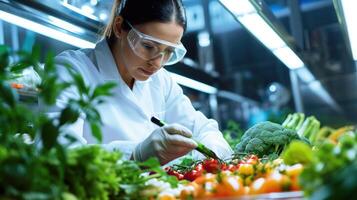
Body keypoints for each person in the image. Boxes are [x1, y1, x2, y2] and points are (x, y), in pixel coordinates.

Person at [53, 0, 233, 165]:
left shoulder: (161, 80)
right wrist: (135, 153)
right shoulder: (72, 70)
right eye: (148, 46)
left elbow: (203, 129)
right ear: (118, 27)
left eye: (169, 51)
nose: (157, 63)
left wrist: (212, 151)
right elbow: (57, 155)